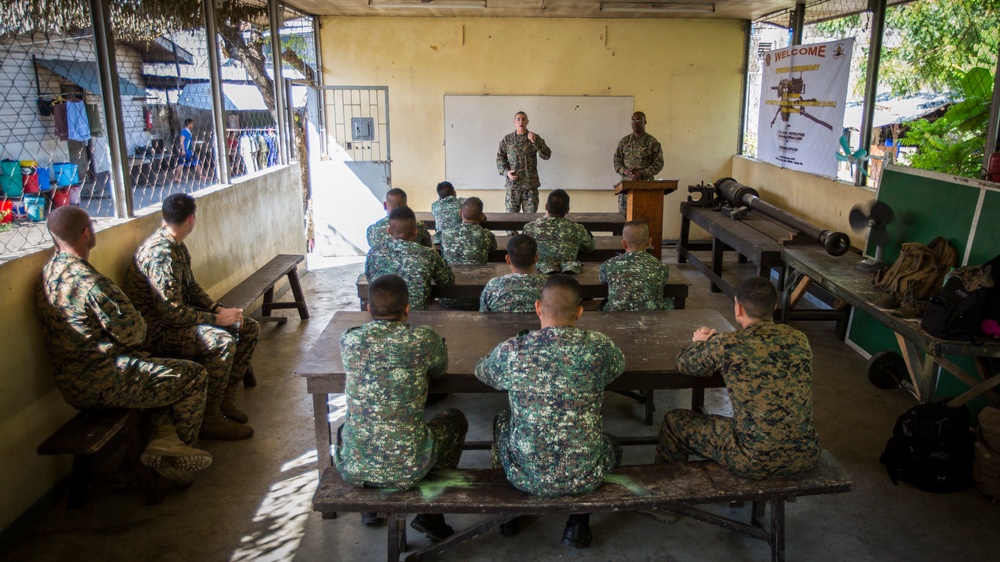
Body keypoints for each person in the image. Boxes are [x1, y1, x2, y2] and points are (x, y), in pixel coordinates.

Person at [36, 206, 212, 484]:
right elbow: (135, 332)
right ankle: (174, 457)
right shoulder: (92, 283)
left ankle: (165, 437)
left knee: (162, 367)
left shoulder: (50, 273)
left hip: (71, 381)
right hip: (105, 379)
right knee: (193, 376)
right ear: (87, 233)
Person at [475, 276, 625, 549]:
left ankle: (510, 513)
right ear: (580, 312)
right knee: (612, 443)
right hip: (585, 473)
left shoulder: (514, 350)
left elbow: (482, 370)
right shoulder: (600, 348)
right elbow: (618, 367)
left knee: (503, 421)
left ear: (537, 308)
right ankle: (578, 523)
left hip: (525, 473)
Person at [336, 274, 468, 538]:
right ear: (408, 308)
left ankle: (369, 507)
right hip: (410, 465)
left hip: (354, 465)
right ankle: (431, 516)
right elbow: (440, 370)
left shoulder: (350, 340)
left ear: (369, 309)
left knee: (347, 426)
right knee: (455, 419)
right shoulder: (424, 339)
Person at [655, 277, 821, 479]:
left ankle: (667, 490)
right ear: (774, 307)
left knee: (674, 422)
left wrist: (701, 343)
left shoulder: (728, 344)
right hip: (806, 454)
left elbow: (685, 363)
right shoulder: (799, 339)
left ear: (739, 309)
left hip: (753, 459)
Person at [124, 193, 256, 441]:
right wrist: (216, 321)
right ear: (192, 219)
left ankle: (224, 401)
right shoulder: (160, 254)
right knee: (221, 340)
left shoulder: (176, 245)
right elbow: (172, 313)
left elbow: (192, 288)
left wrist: (218, 309)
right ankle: (210, 417)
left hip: (177, 323)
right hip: (158, 332)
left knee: (246, 326)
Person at [365, 206, 455, 311]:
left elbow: (370, 279)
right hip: (417, 318)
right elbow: (447, 281)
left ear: (389, 231)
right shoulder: (429, 254)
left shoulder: (373, 252)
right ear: (416, 232)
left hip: (382, 315)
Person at [598, 220, 674, 311]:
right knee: (670, 300)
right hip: (652, 317)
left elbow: (603, 281)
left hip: (616, 316)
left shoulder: (609, 265)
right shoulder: (661, 267)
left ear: (624, 243)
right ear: (649, 242)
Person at [440, 197, 497, 310]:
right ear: (481, 217)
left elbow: (443, 254)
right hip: (477, 297)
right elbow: (493, 249)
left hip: (447, 297)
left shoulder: (446, 234)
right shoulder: (487, 235)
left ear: (460, 213)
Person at [523, 189, 594, 274]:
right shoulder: (578, 229)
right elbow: (590, 247)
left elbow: (525, 251)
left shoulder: (530, 228)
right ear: (568, 210)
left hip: (540, 274)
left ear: (546, 207)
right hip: (569, 276)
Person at [496, 111, 552, 214]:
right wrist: (506, 172)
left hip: (530, 187)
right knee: (511, 222)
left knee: (529, 221)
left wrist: (535, 142)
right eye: (518, 119)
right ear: (514, 122)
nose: (521, 121)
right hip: (513, 187)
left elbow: (546, 155)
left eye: (523, 119)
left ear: (527, 122)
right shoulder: (507, 140)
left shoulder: (534, 138)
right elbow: (500, 159)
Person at [479, 234, 547, 313]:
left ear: (508, 260)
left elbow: (483, 315)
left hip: (502, 325)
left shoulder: (493, 286)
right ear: (536, 259)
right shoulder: (549, 285)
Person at [613, 111, 664, 214]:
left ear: (645, 122)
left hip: (646, 186)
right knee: (625, 219)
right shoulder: (624, 141)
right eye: (633, 120)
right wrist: (625, 171)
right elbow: (616, 160)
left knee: (646, 216)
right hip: (626, 187)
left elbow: (659, 163)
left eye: (638, 120)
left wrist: (643, 173)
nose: (635, 123)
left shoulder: (652, 142)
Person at [366, 188, 433, 250]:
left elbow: (374, 250)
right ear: (406, 207)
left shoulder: (372, 229)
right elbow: (427, 247)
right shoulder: (418, 226)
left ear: (385, 205)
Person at [430, 181, 465, 246]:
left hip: (440, 240)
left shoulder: (435, 205)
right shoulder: (463, 202)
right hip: (458, 238)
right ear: (454, 192)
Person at [173, 118, 205, 182]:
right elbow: (182, 139)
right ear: (189, 124)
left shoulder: (188, 132)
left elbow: (187, 140)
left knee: (181, 164)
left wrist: (193, 142)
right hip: (187, 151)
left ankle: (176, 177)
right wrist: (183, 150)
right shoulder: (184, 131)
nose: (193, 125)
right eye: (192, 123)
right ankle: (201, 176)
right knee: (197, 161)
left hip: (188, 150)